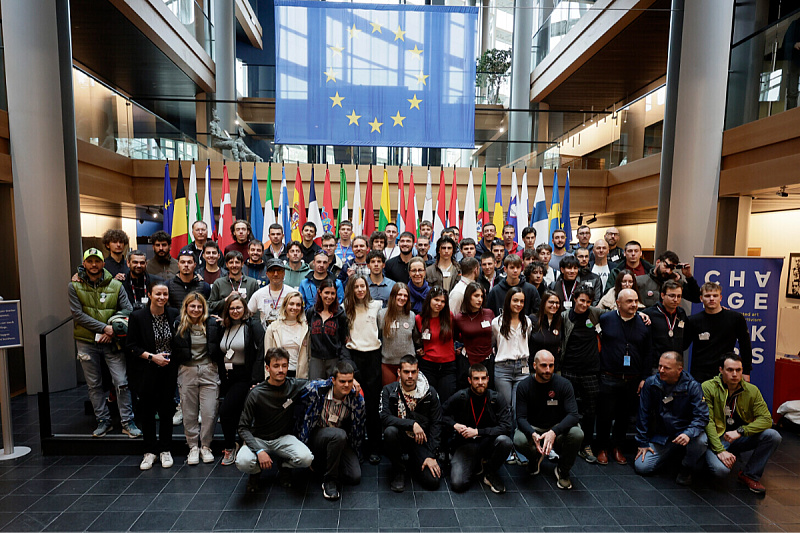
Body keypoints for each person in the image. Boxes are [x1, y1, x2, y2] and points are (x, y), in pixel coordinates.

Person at [68, 248, 139, 439]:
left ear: (103, 264)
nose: (93, 265)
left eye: (97, 261)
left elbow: (127, 309)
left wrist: (112, 328)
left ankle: (127, 422)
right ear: (84, 263)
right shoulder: (74, 286)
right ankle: (103, 421)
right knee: (94, 385)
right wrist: (103, 328)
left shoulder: (116, 285)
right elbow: (78, 315)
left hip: (112, 341)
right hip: (86, 341)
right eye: (90, 261)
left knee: (121, 382)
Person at [236, 348, 313, 492]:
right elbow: (243, 427)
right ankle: (256, 472)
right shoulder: (256, 393)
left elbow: (319, 383)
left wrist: (353, 382)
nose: (281, 370)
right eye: (276, 366)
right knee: (242, 461)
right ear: (267, 368)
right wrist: (259, 451)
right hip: (259, 438)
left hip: (282, 437)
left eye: (284, 366)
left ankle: (284, 466)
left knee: (306, 458)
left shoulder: (294, 385)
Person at [703, 353, 781, 494]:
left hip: (739, 437)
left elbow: (766, 419)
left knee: (773, 435)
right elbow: (707, 421)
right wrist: (720, 450)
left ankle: (750, 475)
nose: (735, 374)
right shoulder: (708, 387)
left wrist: (740, 431)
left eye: (738, 370)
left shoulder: (752, 390)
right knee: (721, 471)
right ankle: (708, 459)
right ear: (721, 370)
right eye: (730, 370)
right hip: (718, 439)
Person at [595, 288, 654, 466]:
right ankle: (602, 448)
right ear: (618, 303)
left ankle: (617, 448)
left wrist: (644, 378)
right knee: (605, 416)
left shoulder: (644, 322)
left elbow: (648, 352)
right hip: (609, 376)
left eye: (636, 301)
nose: (634, 304)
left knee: (624, 416)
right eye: (629, 301)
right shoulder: (606, 319)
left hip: (632, 378)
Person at [126, 280, 179, 469]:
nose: (162, 297)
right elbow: (131, 346)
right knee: (147, 412)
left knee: (166, 412)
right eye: (158, 294)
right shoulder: (138, 316)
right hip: (146, 370)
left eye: (165, 294)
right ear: (149, 295)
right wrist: (152, 357)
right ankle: (149, 451)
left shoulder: (173, 314)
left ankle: (165, 449)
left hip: (168, 370)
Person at [633, 351, 708, 485]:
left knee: (701, 441)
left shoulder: (693, 386)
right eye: (660, 366)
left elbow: (702, 416)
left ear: (679, 370)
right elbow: (643, 414)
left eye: (666, 368)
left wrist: (688, 433)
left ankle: (686, 467)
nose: (661, 370)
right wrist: (642, 442)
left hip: (685, 434)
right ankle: (672, 458)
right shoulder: (651, 383)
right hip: (662, 436)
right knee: (642, 467)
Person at [296, 361, 366, 500]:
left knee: (354, 476)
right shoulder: (317, 389)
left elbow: (359, 428)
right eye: (342, 381)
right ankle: (330, 481)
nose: (346, 385)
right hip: (318, 435)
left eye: (350, 381)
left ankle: (320, 465)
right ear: (333, 380)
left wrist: (357, 453)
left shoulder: (355, 399)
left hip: (340, 440)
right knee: (338, 435)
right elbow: (295, 388)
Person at [514, 350, 583, 490]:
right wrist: (533, 433)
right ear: (534, 365)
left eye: (551, 365)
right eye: (543, 365)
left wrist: (554, 432)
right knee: (519, 440)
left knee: (577, 433)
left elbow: (573, 415)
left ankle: (563, 470)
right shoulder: (524, 386)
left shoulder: (564, 384)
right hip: (534, 428)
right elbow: (520, 418)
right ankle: (534, 458)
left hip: (557, 428)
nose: (548, 370)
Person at [212, 293, 266, 466]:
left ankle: (230, 446)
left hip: (245, 376)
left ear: (245, 309)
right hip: (227, 376)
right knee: (235, 412)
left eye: (238, 308)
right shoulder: (224, 326)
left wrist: (256, 379)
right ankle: (240, 444)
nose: (235, 311)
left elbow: (261, 351)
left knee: (226, 411)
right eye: (232, 308)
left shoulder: (252, 325)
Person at [442, 364, 513, 493]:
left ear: (488, 379)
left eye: (483, 378)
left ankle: (490, 472)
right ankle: (476, 463)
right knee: (458, 484)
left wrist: (478, 432)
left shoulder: (496, 398)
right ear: (469, 380)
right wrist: (454, 425)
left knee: (505, 441)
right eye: (476, 379)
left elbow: (507, 426)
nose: (480, 382)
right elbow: (441, 414)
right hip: (465, 445)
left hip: (488, 443)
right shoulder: (461, 396)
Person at [380, 355, 442, 492]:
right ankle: (398, 469)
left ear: (418, 372)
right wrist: (412, 424)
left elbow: (436, 423)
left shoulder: (429, 392)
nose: (410, 376)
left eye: (413, 372)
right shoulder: (389, 390)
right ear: (399, 372)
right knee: (390, 432)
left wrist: (431, 455)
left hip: (420, 441)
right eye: (406, 372)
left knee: (433, 482)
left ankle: (415, 462)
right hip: (399, 438)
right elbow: (384, 417)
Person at [558, 287, 605, 464]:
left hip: (590, 371)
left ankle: (586, 445)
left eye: (588, 301)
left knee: (590, 410)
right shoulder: (565, 316)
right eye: (582, 300)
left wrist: (642, 314)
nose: (585, 305)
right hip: (569, 369)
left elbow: (617, 313)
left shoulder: (595, 313)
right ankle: (565, 442)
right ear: (574, 298)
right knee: (566, 409)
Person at [172, 292, 219, 465]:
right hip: (187, 370)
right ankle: (193, 446)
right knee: (189, 412)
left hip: (209, 370)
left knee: (209, 412)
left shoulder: (212, 323)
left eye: (199, 306)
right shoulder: (178, 323)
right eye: (192, 306)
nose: (196, 309)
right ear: (186, 307)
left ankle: (206, 446)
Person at [343, 275, 384, 464]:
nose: (360, 290)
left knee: (373, 405)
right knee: (353, 404)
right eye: (356, 287)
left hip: (373, 357)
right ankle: (355, 447)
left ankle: (374, 447)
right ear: (351, 289)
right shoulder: (345, 308)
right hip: (354, 358)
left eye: (363, 286)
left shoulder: (376, 306)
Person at [492, 287, 532, 462]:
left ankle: (519, 446)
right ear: (508, 301)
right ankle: (506, 448)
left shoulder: (527, 322)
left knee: (519, 408)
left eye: (522, 301)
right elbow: (494, 343)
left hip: (522, 367)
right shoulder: (497, 322)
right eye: (515, 300)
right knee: (505, 409)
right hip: (503, 368)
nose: (518, 304)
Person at [685, 282, 752, 383]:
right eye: (707, 296)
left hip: (726, 373)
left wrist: (746, 371)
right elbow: (682, 345)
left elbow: (745, 346)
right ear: (701, 298)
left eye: (715, 295)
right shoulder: (692, 321)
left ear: (720, 298)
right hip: (700, 376)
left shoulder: (736, 318)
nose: (711, 299)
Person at [416, 286, 457, 403]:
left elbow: (457, 335)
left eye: (443, 301)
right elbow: (417, 340)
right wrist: (418, 349)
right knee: (429, 401)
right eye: (436, 300)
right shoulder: (419, 319)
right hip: (428, 365)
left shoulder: (449, 316)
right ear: (429, 299)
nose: (439, 304)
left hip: (448, 366)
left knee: (447, 400)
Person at [452, 282, 495, 389]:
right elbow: (456, 336)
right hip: (468, 359)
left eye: (482, 296)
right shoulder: (459, 318)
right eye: (476, 296)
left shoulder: (489, 313)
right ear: (468, 296)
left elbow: (495, 334)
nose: (480, 299)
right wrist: (466, 342)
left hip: (488, 359)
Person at [306, 278, 351, 380]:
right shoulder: (312, 312)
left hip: (333, 359)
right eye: (326, 293)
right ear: (320, 292)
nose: (329, 297)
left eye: (332, 293)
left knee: (332, 387)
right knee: (314, 387)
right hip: (315, 359)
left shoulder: (340, 315)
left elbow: (343, 339)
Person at [377, 283, 420, 385]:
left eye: (405, 296)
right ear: (393, 296)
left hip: (408, 364)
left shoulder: (411, 316)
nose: (402, 298)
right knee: (390, 391)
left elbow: (416, 338)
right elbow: (378, 336)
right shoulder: (382, 315)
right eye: (399, 295)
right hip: (388, 363)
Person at [264, 290, 309, 378]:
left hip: (299, 375)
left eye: (298, 305)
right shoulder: (273, 328)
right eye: (291, 304)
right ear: (285, 305)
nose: (295, 307)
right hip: (279, 374)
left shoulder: (306, 328)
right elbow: (267, 357)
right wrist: (268, 379)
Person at [636, 250, 700, 308]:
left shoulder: (675, 283)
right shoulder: (640, 281)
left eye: (672, 269)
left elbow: (697, 298)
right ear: (658, 262)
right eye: (666, 266)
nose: (668, 271)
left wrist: (689, 277)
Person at [643, 280, 688, 360]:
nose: (675, 299)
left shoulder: (681, 313)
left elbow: (686, 338)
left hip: (675, 362)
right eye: (672, 296)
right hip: (656, 363)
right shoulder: (649, 314)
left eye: (679, 296)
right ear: (662, 295)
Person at [248, 258, 289, 328]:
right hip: (265, 333)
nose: (276, 274)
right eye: (272, 271)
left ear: (284, 273)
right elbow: (247, 314)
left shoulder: (292, 293)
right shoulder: (259, 294)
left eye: (279, 270)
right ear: (267, 274)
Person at [529, 290, 562, 370]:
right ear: (544, 303)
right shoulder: (532, 319)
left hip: (552, 368)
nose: (554, 305)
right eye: (551, 302)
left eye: (557, 303)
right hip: (534, 368)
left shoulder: (560, 321)